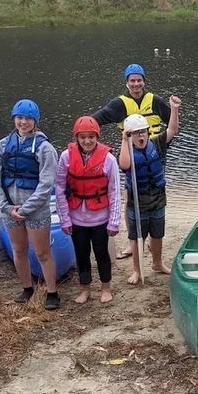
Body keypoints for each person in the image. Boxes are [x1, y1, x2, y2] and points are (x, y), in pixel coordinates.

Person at [92, 63, 175, 260]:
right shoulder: (119, 104)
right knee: (131, 195)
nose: (136, 84)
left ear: (144, 82)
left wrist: (164, 139)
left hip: (155, 152)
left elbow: (172, 122)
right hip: (131, 155)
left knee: (155, 191)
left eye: (139, 80)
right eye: (132, 81)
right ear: (127, 83)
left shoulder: (154, 101)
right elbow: (95, 120)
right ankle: (134, 241)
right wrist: (96, 146)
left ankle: (153, 235)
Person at [0, 99, 60, 309]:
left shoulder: (45, 148)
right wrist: (5, 206)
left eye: (28, 118)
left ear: (35, 121)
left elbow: (47, 183)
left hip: (35, 209)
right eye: (19, 118)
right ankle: (27, 288)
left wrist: (27, 208)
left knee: (42, 252)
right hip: (10, 209)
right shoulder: (3, 145)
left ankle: (52, 292)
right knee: (19, 251)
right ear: (14, 119)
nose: (23, 122)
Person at [55, 116, 121, 304]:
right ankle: (85, 289)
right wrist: (65, 219)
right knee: (81, 254)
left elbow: (115, 191)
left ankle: (106, 288)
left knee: (101, 253)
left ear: (97, 137)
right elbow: (59, 188)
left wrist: (114, 221)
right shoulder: (66, 157)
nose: (87, 141)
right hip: (76, 219)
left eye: (91, 136)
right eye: (82, 137)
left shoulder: (108, 159)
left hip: (100, 218)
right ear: (77, 138)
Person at [118, 95, 180, 285]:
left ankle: (157, 263)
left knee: (157, 235)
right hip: (137, 202)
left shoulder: (157, 143)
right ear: (130, 135)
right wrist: (124, 140)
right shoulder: (127, 149)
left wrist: (174, 109)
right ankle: (137, 270)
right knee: (137, 238)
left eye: (143, 132)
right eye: (136, 133)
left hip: (158, 199)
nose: (141, 136)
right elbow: (125, 165)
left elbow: (172, 130)